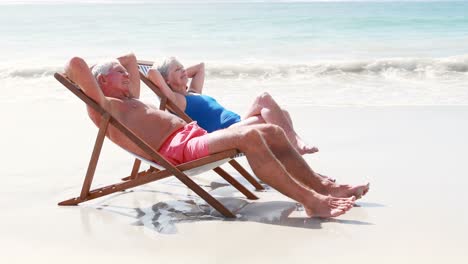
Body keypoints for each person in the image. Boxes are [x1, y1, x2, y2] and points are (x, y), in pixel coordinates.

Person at [65, 54, 370, 218]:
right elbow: (75, 64)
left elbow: (130, 57)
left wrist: (117, 67)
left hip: (192, 135)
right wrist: (88, 73)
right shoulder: (104, 107)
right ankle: (311, 200)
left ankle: (324, 188)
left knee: (273, 131)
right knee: (251, 138)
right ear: (101, 80)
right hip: (178, 148)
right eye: (120, 74)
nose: (129, 76)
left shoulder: (128, 99)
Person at [147, 57, 318, 155]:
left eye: (183, 68)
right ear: (166, 80)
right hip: (227, 133)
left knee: (281, 113)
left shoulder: (193, 92)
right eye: (178, 70)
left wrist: (178, 71)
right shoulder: (176, 101)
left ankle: (294, 158)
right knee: (266, 101)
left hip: (238, 123)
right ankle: (295, 146)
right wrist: (166, 72)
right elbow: (152, 73)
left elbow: (200, 66)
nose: (184, 71)